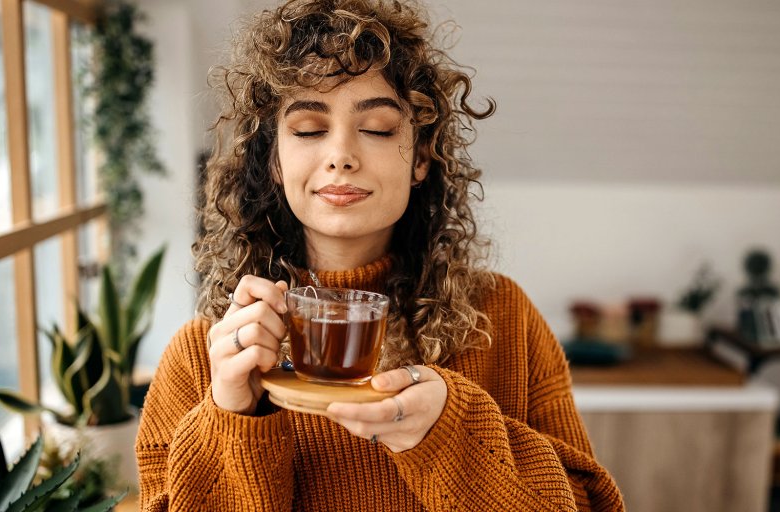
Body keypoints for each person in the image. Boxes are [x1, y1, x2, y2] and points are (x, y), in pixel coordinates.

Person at [136, 0, 625, 510]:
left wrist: (451, 435)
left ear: (420, 157)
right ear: (275, 162)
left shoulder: (502, 320)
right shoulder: (204, 359)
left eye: (377, 129)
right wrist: (232, 417)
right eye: (307, 130)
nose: (341, 155)